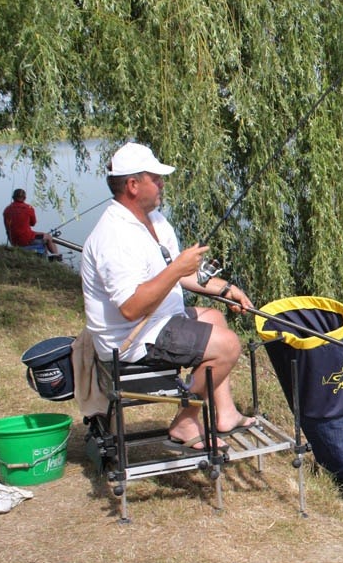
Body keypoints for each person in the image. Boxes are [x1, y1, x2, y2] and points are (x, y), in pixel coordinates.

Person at [81, 142, 256, 450]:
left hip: (159, 320)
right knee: (228, 346)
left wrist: (226, 289)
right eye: (155, 178)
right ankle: (186, 421)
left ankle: (225, 413)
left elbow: (184, 273)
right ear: (133, 185)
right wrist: (176, 269)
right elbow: (131, 309)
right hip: (131, 338)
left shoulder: (155, 221)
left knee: (215, 317)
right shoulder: (115, 236)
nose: (162, 183)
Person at [3, 188, 62, 259]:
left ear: (13, 197)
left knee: (41, 235)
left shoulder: (6, 210)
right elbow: (33, 223)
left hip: (14, 241)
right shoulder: (29, 208)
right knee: (48, 237)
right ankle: (56, 256)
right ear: (24, 198)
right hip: (27, 239)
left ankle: (48, 256)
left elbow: (7, 227)